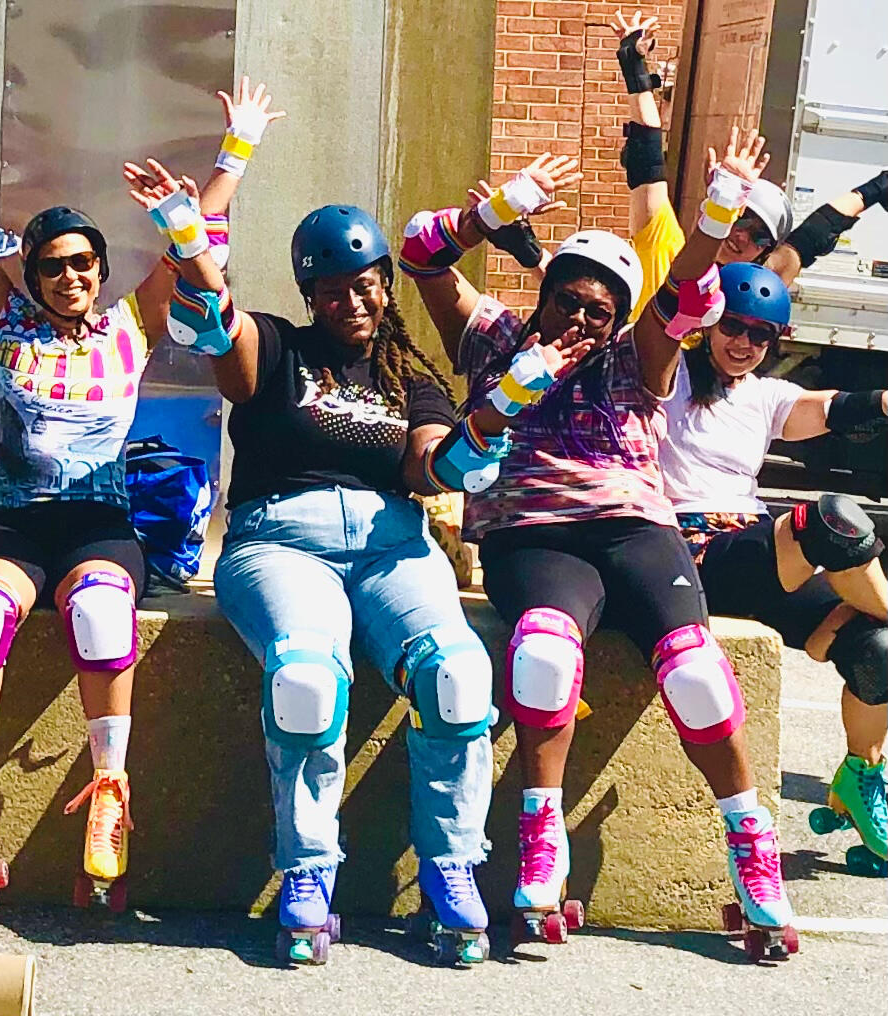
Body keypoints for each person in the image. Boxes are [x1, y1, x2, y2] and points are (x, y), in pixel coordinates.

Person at [129, 157, 588, 963]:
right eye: (334, 291)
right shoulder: (278, 345)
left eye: (366, 284)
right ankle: (308, 871)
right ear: (311, 296)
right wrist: (188, 238)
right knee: (306, 680)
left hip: (391, 544)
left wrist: (502, 405)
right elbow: (217, 328)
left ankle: (450, 868)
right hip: (279, 542)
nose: (353, 302)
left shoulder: (410, 376)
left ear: (385, 284)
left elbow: (435, 470)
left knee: (456, 676)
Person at [0, 43, 272, 912]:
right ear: (33, 273)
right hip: (12, 523)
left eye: (82, 262)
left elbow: (191, 247)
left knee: (98, 609)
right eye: (51, 264)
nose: (69, 276)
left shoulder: (131, 325)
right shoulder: (3, 320)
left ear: (98, 269)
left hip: (98, 525)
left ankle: (109, 793)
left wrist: (233, 155)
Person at [407, 132, 800, 958]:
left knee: (695, 672)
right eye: (568, 302)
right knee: (543, 656)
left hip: (634, 527)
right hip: (532, 535)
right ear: (543, 295)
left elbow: (686, 294)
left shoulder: (633, 357)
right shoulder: (492, 336)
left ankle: (750, 847)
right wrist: (498, 209)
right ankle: (539, 836)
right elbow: (419, 254)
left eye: (599, 310)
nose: (581, 320)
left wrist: (718, 210)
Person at [659, 261, 888, 878]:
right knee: (831, 522)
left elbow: (837, 408)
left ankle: (860, 778)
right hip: (693, 552)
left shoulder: (764, 395)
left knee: (878, 651)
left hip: (757, 552)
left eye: (760, 334)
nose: (744, 343)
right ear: (709, 324)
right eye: (733, 326)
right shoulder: (667, 378)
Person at [611, 8, 888, 313]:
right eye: (740, 217)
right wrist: (634, 67)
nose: (742, 236)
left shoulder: (757, 290)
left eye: (759, 236)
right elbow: (647, 166)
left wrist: (877, 188)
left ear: (764, 253)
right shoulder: (665, 248)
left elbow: (816, 233)